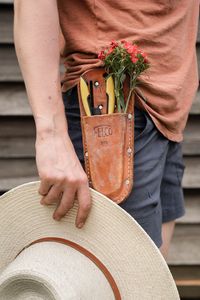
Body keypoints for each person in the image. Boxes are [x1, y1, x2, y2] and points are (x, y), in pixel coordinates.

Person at [13, 0, 199, 258]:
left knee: (148, 280)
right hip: (111, 115)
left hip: (166, 117)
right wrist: (51, 135)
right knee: (117, 282)